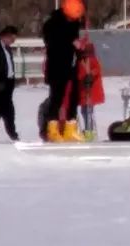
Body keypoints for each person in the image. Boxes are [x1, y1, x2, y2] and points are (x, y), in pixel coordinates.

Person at [42, 0, 85, 142]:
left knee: (74, 98)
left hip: (72, 66)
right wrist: (71, 42)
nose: (74, 20)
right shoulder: (51, 24)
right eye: (72, 17)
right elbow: (52, 43)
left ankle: (70, 128)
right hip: (57, 67)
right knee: (56, 98)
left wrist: (80, 52)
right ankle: (52, 129)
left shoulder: (75, 24)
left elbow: (78, 45)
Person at [76, 38, 104, 140]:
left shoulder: (92, 60)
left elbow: (97, 70)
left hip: (90, 91)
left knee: (88, 111)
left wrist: (90, 75)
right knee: (85, 111)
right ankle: (88, 130)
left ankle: (89, 130)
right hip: (84, 91)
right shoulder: (81, 62)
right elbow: (79, 73)